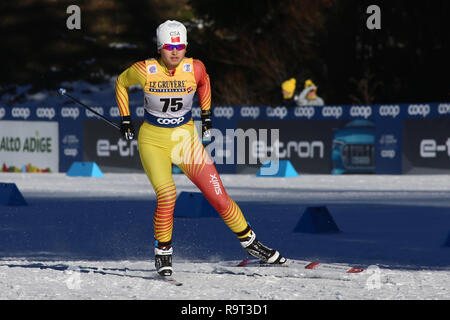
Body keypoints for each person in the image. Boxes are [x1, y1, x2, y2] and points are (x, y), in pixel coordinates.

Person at [115, 20, 286, 276]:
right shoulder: (144, 70)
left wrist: (207, 118)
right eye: (169, 46)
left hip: (186, 140)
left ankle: (251, 244)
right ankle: (163, 252)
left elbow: (205, 83)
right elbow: (120, 82)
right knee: (167, 195)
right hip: (153, 141)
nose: (175, 52)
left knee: (218, 196)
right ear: (160, 48)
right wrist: (125, 119)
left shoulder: (194, 67)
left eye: (180, 46)